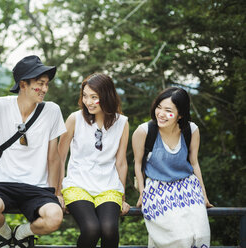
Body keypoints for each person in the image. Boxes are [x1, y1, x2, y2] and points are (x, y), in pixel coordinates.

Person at [0, 55, 66, 248]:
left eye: (46, 84)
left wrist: (56, 192)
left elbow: (54, 157)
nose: (44, 89)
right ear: (23, 84)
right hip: (2, 183)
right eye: (40, 84)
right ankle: (4, 235)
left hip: (38, 186)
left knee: (54, 218)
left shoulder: (52, 111)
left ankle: (21, 233)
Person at [132, 87, 212, 248]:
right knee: (179, 239)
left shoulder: (191, 130)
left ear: (180, 114)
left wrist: (203, 194)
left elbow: (194, 162)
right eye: (159, 107)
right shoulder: (144, 131)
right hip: (157, 186)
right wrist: (142, 192)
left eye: (168, 110)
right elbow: (138, 164)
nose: (160, 114)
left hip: (187, 185)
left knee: (201, 233)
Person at [58, 73, 130, 248]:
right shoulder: (75, 119)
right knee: (91, 229)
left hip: (109, 187)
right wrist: (57, 193)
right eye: (85, 96)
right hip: (77, 185)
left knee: (109, 230)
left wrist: (122, 196)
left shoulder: (122, 123)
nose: (88, 101)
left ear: (106, 96)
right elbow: (59, 158)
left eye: (94, 97)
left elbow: (120, 162)